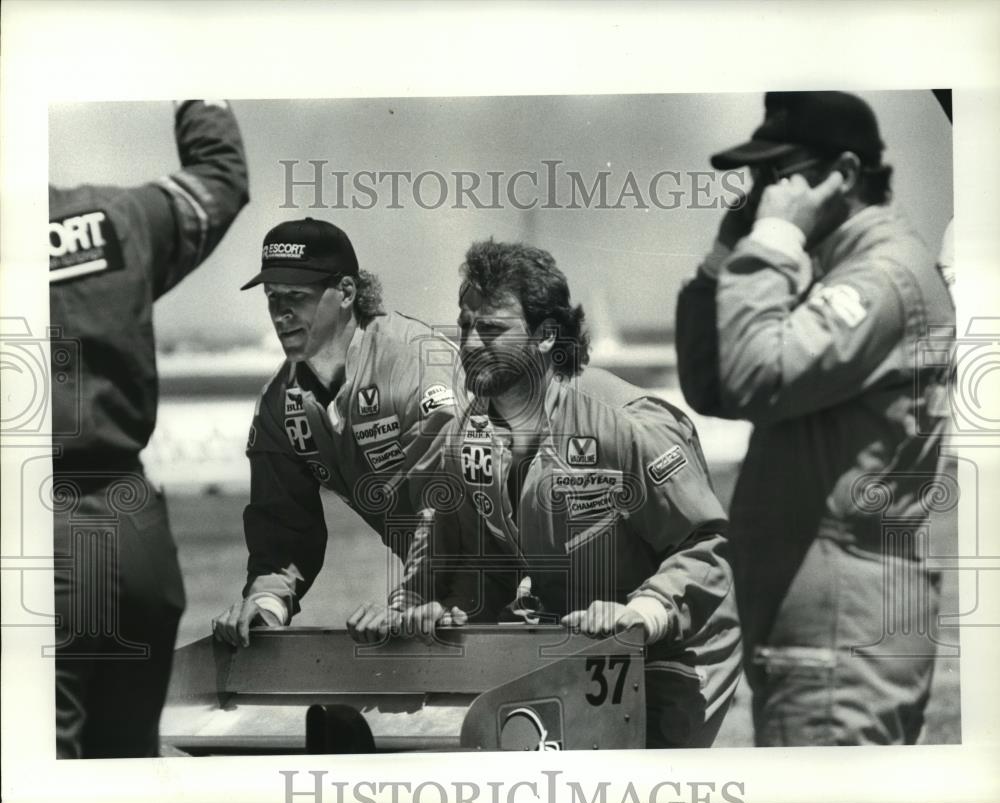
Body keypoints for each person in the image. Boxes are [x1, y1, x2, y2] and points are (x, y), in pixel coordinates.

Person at [363, 238, 742, 748]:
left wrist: (643, 611)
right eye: (466, 326)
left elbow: (707, 547)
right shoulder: (466, 436)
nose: (471, 344)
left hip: (673, 645)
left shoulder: (626, 425)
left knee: (637, 781)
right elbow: (479, 565)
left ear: (544, 336)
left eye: (493, 329)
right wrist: (430, 605)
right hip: (577, 641)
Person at [675, 91, 955, 745]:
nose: (764, 192)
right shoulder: (844, 274)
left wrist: (771, 242)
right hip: (818, 634)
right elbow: (715, 387)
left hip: (841, 642)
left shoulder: (879, 281)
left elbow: (755, 376)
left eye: (782, 173)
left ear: (847, 174)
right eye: (759, 176)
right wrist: (726, 254)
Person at [49, 100, 249, 758]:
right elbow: (221, 175)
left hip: (40, 543)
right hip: (136, 537)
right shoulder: (117, 219)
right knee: (125, 772)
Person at [211, 217, 463, 647]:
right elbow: (283, 527)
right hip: (450, 594)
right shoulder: (280, 405)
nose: (281, 314)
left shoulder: (415, 363)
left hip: (541, 566)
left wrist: (411, 597)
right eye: (273, 298)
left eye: (297, 297)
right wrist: (266, 606)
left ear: (346, 292)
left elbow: (449, 498)